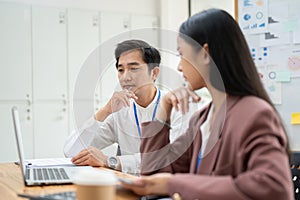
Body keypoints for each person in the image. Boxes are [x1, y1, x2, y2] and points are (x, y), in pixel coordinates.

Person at [122, 9, 293, 200]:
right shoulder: (202, 119)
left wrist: (173, 184)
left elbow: (273, 188)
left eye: (182, 54)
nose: (179, 66)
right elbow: (153, 177)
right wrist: (163, 111)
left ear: (205, 53)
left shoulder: (255, 113)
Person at [64, 39, 192, 173]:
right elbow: (71, 152)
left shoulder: (176, 105)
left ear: (154, 73)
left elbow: (171, 157)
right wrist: (104, 111)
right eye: (121, 70)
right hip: (128, 185)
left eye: (133, 69)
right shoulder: (120, 110)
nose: (125, 77)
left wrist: (111, 161)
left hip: (166, 187)